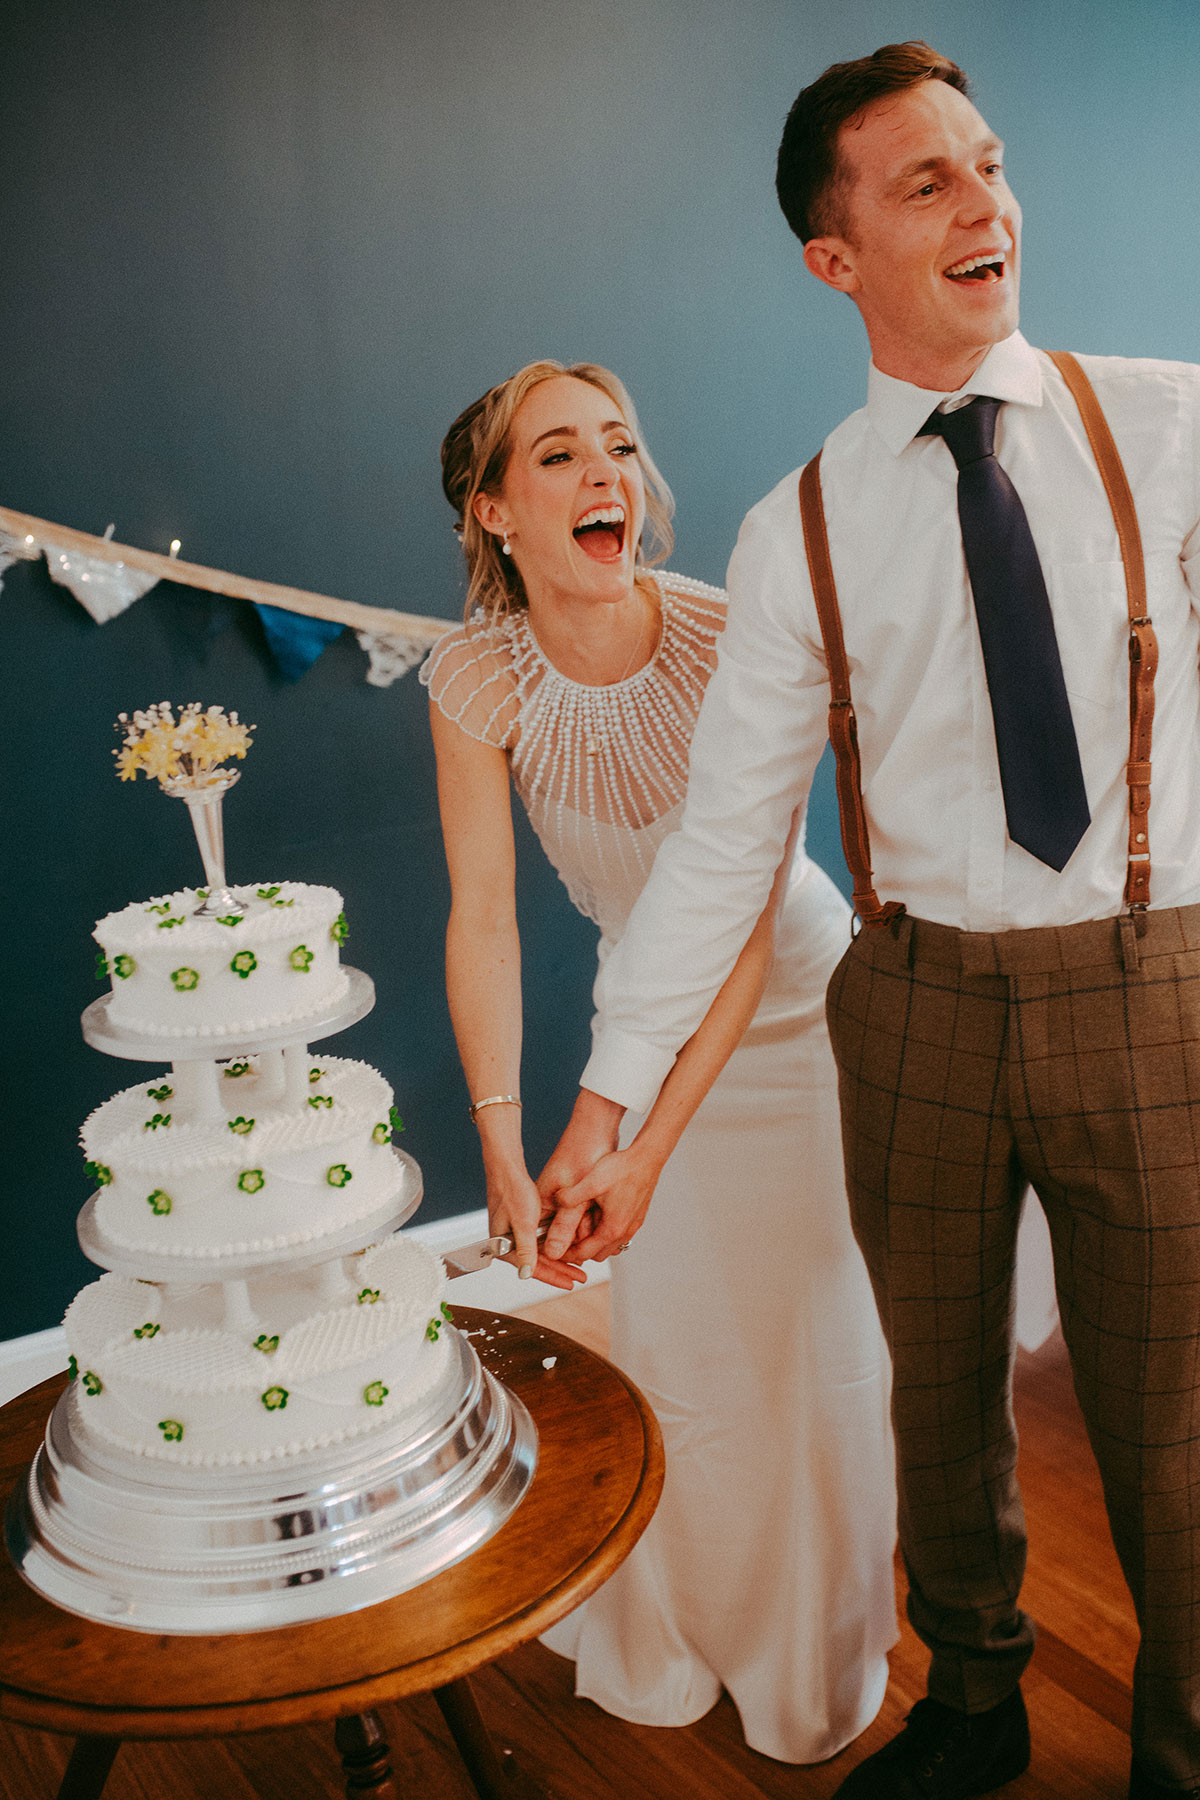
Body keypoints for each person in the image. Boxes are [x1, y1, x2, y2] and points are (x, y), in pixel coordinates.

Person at [540, 42, 1200, 1800]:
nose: (986, 205)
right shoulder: (795, 530)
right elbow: (721, 851)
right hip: (908, 1005)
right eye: (928, 184)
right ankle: (975, 1704)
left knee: (1176, 1428)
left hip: (1152, 988)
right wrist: (608, 1106)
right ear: (835, 259)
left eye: (987, 166)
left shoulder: (1167, 422)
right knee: (934, 1398)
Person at [420, 359, 896, 1762]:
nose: (603, 475)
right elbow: (487, 920)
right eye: (556, 456)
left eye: (617, 446)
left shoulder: (730, 634)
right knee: (684, 1354)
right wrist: (503, 1144)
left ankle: (811, 1660)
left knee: (818, 1356)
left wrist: (645, 1142)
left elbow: (742, 922)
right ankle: (679, 1628)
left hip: (804, 1020)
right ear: (494, 510)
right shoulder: (471, 681)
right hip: (637, 1024)